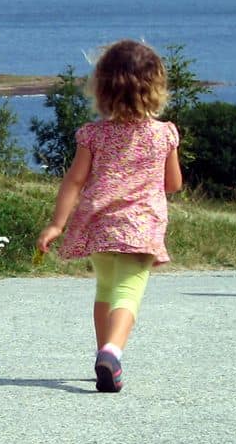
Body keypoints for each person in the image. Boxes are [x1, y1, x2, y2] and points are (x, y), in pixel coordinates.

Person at [37, 39, 183, 393]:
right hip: (141, 225)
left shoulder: (93, 135)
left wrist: (57, 223)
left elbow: (74, 180)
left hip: (99, 223)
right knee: (129, 291)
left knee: (105, 288)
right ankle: (112, 353)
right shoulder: (164, 134)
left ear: (102, 88)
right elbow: (173, 184)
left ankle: (103, 354)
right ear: (156, 88)